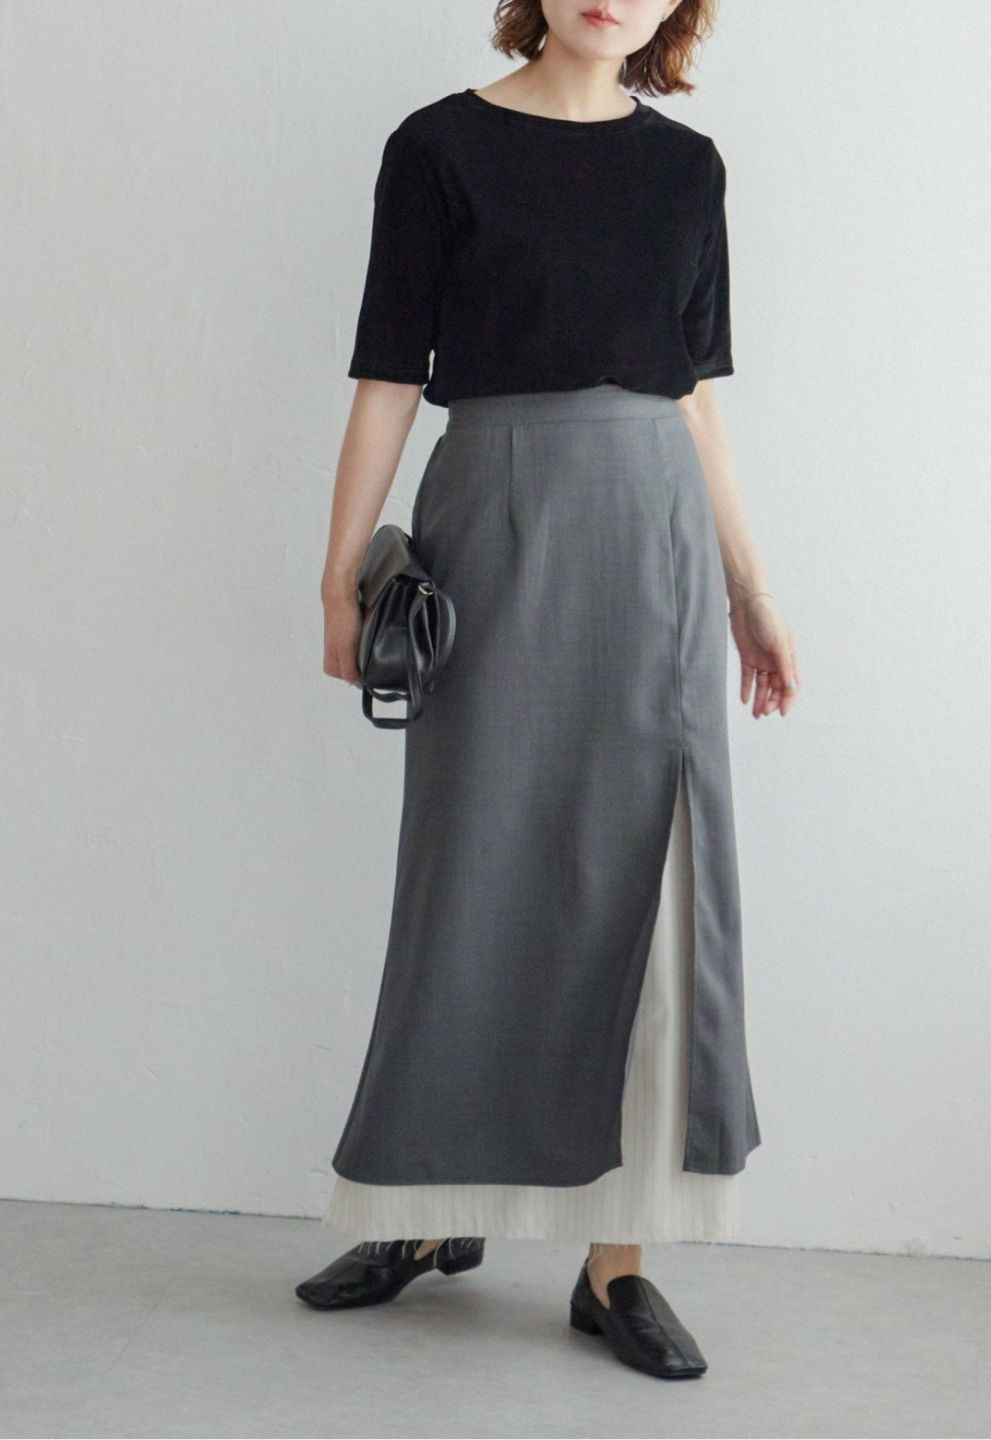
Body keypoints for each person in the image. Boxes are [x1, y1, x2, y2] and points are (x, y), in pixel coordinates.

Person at [298, 0, 799, 1380]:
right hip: (494, 525)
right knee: (473, 868)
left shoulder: (686, 169)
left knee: (646, 880)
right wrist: (338, 576)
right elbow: (389, 376)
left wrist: (751, 589)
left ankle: (616, 1262)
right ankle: (425, 1209)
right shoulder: (437, 148)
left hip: (653, 538)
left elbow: (695, 394)